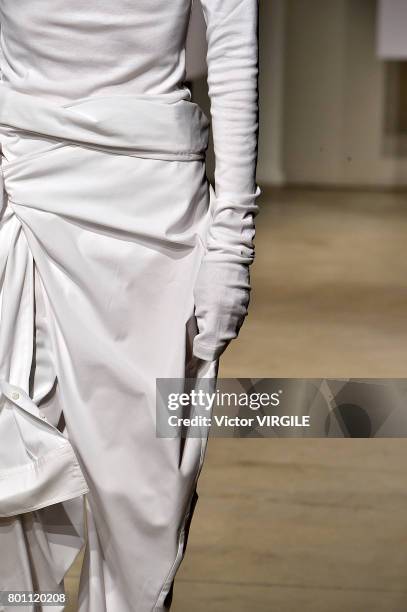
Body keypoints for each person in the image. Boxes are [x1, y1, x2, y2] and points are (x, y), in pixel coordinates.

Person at [0, 1, 260, 610]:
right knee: (12, 478)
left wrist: (233, 244)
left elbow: (232, 54)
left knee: (141, 506)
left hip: (152, 221)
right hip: (24, 193)